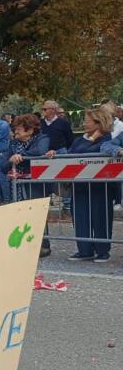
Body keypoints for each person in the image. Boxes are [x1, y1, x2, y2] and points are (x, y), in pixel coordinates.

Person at [57, 108, 115, 262]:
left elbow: (84, 152)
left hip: (100, 187)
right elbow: (71, 155)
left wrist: (89, 141)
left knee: (100, 217)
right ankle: (84, 250)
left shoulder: (107, 140)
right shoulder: (79, 139)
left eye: (88, 121)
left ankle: (103, 251)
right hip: (79, 185)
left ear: (99, 123)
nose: (85, 123)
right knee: (80, 217)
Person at [2, 113, 52, 256]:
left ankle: (43, 245)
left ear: (29, 130)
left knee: (37, 214)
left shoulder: (42, 138)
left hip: (35, 184)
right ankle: (24, 245)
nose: (15, 131)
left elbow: (40, 151)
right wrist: (12, 160)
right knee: (20, 215)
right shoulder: (12, 144)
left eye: (18, 129)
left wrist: (21, 156)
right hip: (17, 185)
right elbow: (3, 165)